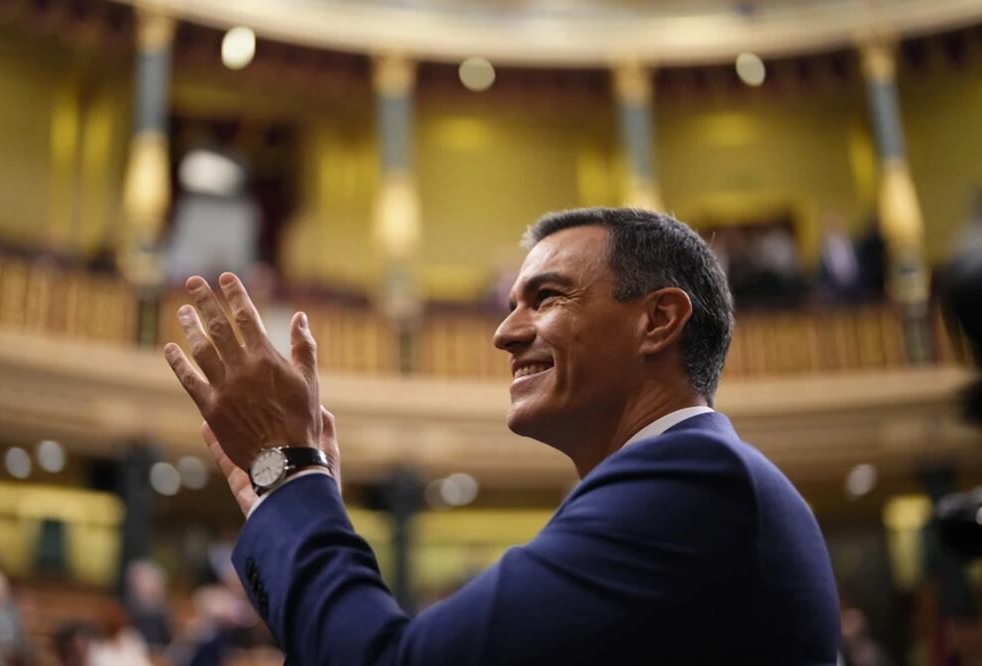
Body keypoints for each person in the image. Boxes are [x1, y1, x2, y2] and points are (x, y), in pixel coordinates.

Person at [164, 207, 840, 664]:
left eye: (546, 298)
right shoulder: (692, 486)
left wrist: (291, 478)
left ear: (658, 320)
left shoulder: (696, 484)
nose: (504, 333)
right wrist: (291, 502)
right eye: (512, 303)